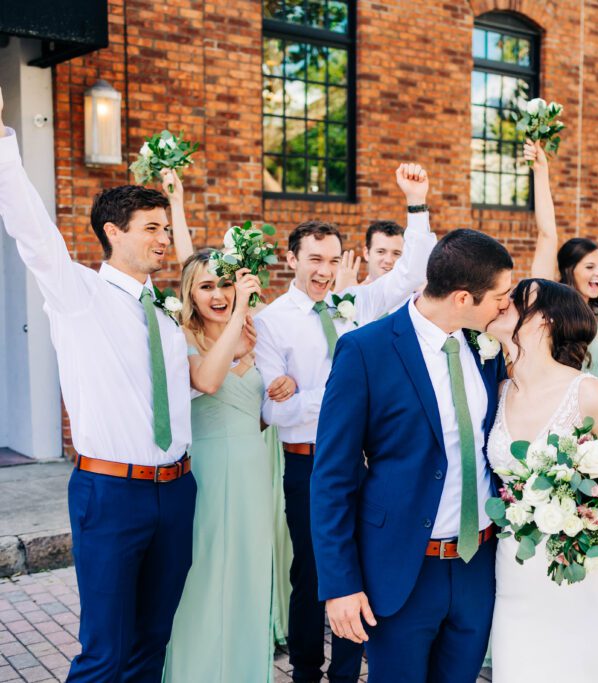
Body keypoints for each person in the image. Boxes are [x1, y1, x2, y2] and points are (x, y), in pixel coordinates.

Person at [0, 94, 195, 682]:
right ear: (113, 231)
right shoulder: (78, 295)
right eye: (152, 228)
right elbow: (34, 234)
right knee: (104, 650)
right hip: (111, 496)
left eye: (166, 228)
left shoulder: (164, 313)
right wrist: (5, 144)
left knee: (153, 642)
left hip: (178, 492)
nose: (164, 239)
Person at [255, 164, 436, 683]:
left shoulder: (356, 303)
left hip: (363, 466)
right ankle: (308, 672)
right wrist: (344, 397)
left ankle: (348, 673)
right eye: (314, 259)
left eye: (333, 261)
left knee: (364, 567)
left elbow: (411, 274)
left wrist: (416, 205)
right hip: (307, 468)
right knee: (313, 575)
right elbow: (275, 411)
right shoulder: (270, 321)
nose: (324, 271)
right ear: (291, 259)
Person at [311, 229, 513, 683]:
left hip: (476, 563)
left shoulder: (486, 349)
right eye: (501, 296)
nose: (506, 305)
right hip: (402, 568)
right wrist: (341, 584)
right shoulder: (365, 350)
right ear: (463, 298)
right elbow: (332, 478)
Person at [485, 278, 598, 681]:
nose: (505, 303)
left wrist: (587, 522)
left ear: (546, 321)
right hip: (517, 576)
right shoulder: (499, 390)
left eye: (519, 301)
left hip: (581, 575)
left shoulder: (587, 393)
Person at [162, 256, 285, 682]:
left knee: (249, 576)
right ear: (191, 295)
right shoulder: (182, 337)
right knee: (204, 575)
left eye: (226, 286)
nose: (218, 295)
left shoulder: (254, 335)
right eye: (207, 287)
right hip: (208, 470)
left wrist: (281, 393)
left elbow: (259, 414)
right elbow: (209, 382)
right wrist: (240, 321)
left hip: (253, 464)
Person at [524, 140, 598, 381]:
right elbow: (547, 234)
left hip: (592, 412)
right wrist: (541, 171)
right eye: (589, 267)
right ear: (569, 270)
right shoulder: (551, 305)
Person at [361, 220, 404, 284]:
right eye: (381, 252)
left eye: (396, 253)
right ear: (366, 254)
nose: (388, 260)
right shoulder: (351, 293)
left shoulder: (418, 293)